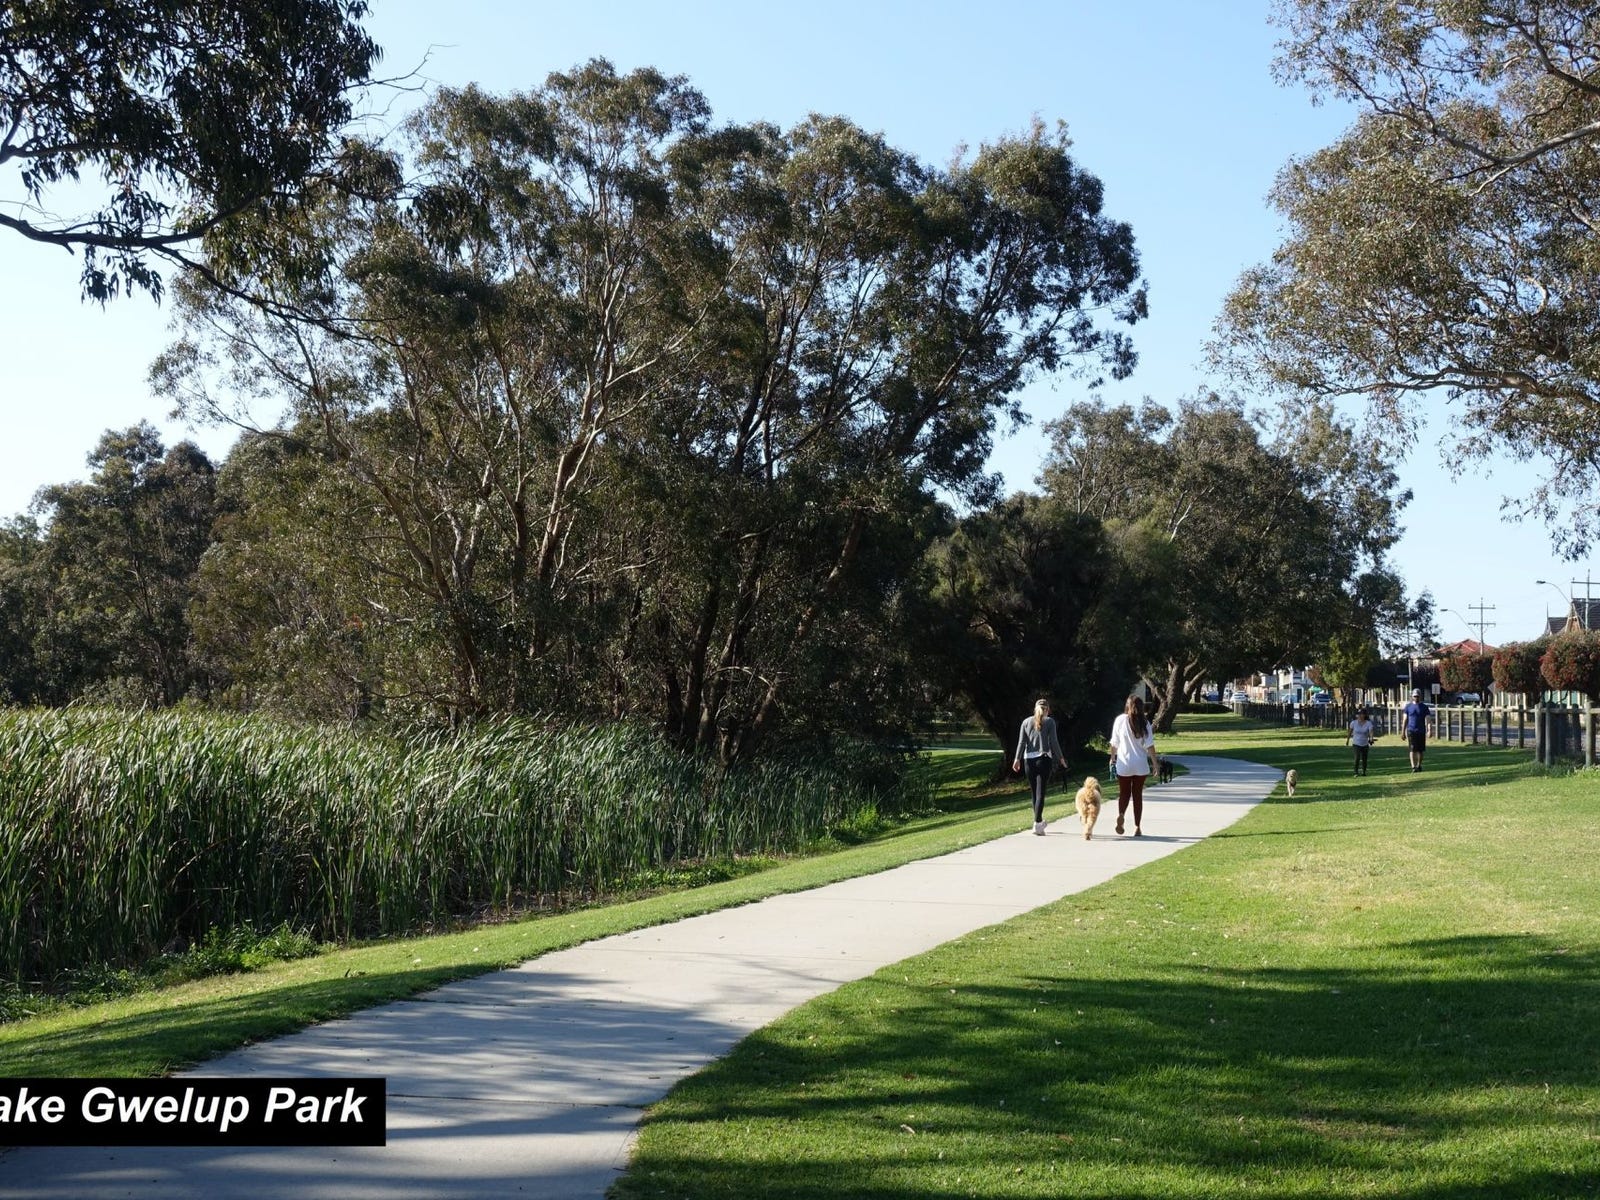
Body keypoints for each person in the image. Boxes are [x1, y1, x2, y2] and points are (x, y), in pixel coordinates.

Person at [1013, 698, 1067, 835]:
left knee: (1034, 793)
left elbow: (1021, 742)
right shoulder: (1049, 721)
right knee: (1040, 793)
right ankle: (1037, 824)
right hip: (1044, 760)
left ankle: (1039, 822)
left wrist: (1017, 759)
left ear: (1035, 709)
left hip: (1028, 761)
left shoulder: (1026, 722)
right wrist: (1061, 758)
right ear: (1047, 709)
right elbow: (1054, 742)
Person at [1108, 695, 1158, 837]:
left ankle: (1121, 815)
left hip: (1124, 764)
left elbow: (1114, 743)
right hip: (1140, 765)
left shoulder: (1120, 720)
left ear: (1127, 706)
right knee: (1137, 795)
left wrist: (1112, 758)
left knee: (1124, 793)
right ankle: (1137, 827)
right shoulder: (1145, 722)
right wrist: (1155, 764)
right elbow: (1150, 746)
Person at [1401, 689, 1434, 772]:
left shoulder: (1424, 707)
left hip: (1421, 731)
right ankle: (1413, 767)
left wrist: (1429, 730)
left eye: (1417, 696)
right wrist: (1403, 732)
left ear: (1420, 697)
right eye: (1415, 696)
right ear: (1412, 696)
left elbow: (1428, 719)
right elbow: (1405, 720)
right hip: (1411, 730)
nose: (1416, 698)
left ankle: (1419, 765)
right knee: (1412, 749)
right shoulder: (1408, 707)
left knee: (1420, 750)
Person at [1345, 705, 1376, 776]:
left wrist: (1371, 738)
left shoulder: (1368, 723)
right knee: (1357, 757)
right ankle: (1355, 772)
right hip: (1356, 743)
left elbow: (1371, 731)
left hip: (1365, 743)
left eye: (1361, 714)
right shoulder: (1353, 723)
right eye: (1359, 714)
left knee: (1364, 758)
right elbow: (1350, 732)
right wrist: (1347, 740)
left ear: (1364, 715)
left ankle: (1364, 772)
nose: (1360, 716)